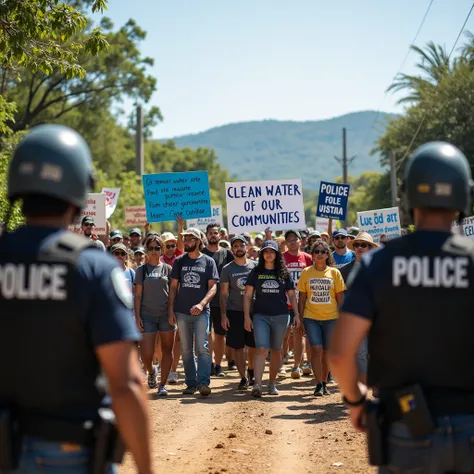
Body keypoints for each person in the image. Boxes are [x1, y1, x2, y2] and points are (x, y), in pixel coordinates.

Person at [0, 124, 153, 474]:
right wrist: (146, 469)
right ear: (78, 190)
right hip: (67, 452)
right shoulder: (93, 268)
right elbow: (126, 382)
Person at [329, 141, 474, 473]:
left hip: (406, 428)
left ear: (409, 196)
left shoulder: (378, 264)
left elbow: (339, 353)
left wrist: (356, 400)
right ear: (463, 195)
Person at [244, 240, 300, 397]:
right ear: (262, 254)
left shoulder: (284, 272)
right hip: (260, 315)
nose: (269, 254)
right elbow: (248, 295)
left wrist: (296, 314)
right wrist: (246, 317)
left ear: (277, 254)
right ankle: (257, 384)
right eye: (266, 251)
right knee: (261, 348)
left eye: (272, 251)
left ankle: (272, 383)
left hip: (281, 316)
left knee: (276, 350)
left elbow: (291, 295)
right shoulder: (255, 272)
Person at [168, 228, 219, 396]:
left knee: (202, 347)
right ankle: (191, 383)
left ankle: (203, 383)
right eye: (185, 239)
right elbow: (173, 287)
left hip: (202, 312)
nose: (187, 241)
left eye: (190, 239)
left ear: (198, 241)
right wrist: (171, 310)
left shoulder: (208, 261)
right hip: (182, 312)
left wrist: (201, 304)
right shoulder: (179, 261)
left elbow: (213, 288)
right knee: (186, 350)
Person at [297, 239, 345, 397]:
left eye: (323, 252)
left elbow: (340, 298)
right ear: (312, 254)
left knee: (327, 352)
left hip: (332, 318)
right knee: (316, 349)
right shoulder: (306, 272)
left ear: (327, 255)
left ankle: (324, 382)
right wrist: (301, 317)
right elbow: (302, 298)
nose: (319, 254)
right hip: (311, 317)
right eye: (316, 251)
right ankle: (318, 384)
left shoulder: (334, 273)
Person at [134, 234, 175, 396]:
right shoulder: (141, 271)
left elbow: (173, 293)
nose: (154, 251)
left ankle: (162, 385)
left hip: (166, 315)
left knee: (167, 349)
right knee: (146, 354)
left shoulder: (168, 269)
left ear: (162, 250)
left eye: (157, 248)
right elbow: (137, 296)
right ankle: (151, 371)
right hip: (147, 316)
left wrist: (172, 311)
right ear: (146, 250)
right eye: (151, 248)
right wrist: (137, 317)